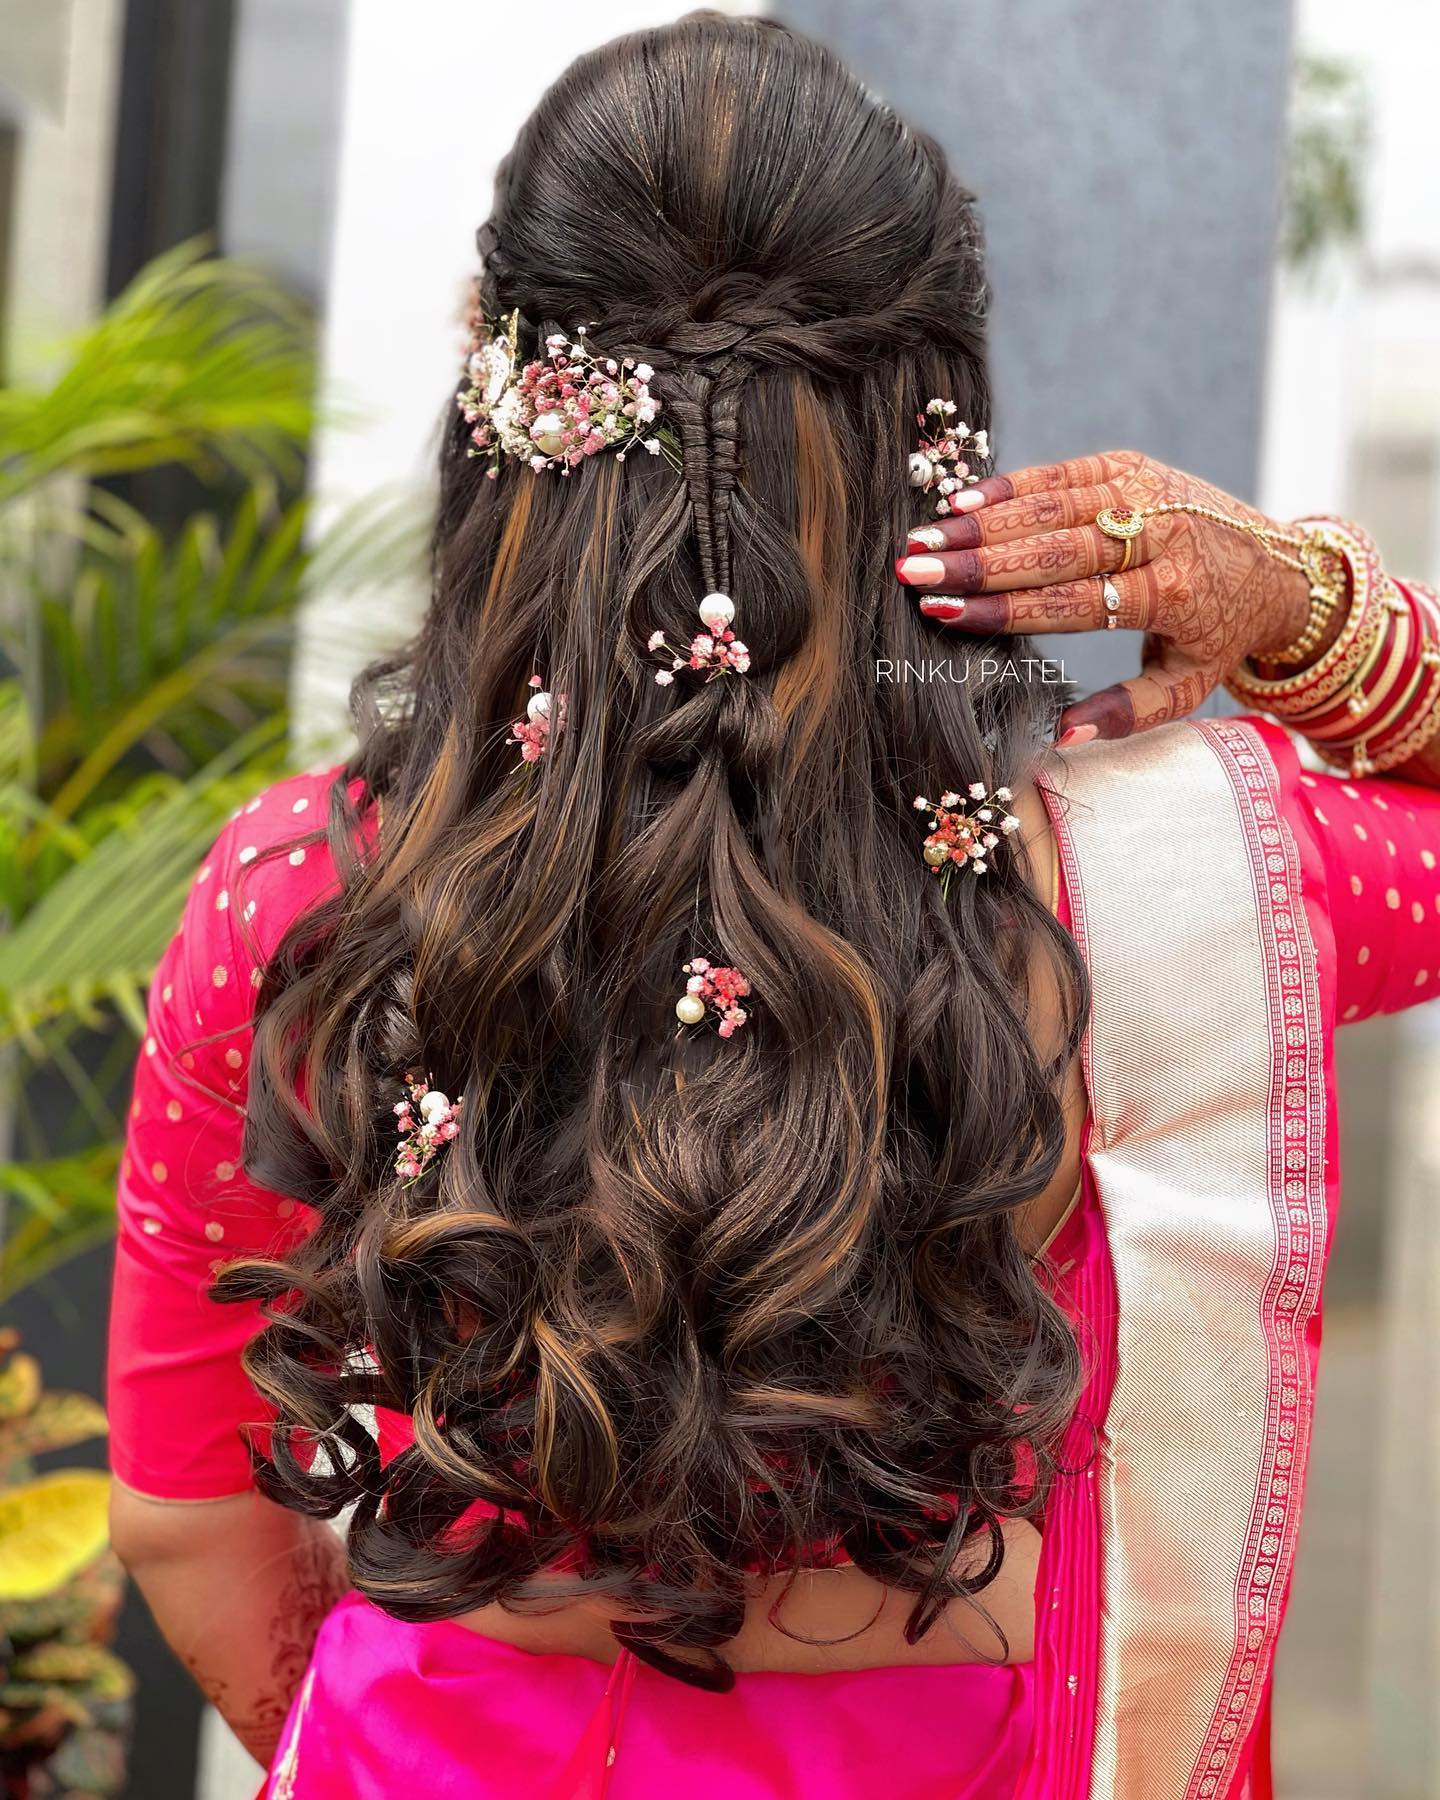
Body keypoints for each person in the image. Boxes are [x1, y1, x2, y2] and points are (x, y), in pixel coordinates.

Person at [105, 14, 1440, 1799]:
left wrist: (380, 1743)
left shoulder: (314, 890)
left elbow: (188, 1519)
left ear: (496, 387)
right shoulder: (1167, 888)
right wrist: (1305, 608)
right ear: (941, 429)